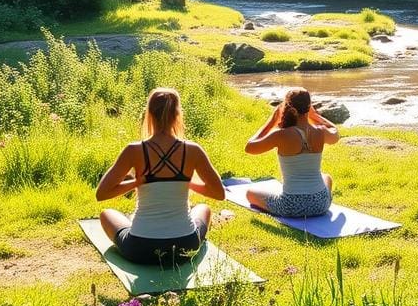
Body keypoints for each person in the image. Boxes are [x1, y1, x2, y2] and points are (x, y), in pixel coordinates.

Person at [96, 87, 225, 265]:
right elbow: (219, 193)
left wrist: (137, 182)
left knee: (106, 214)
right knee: (204, 208)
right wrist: (188, 182)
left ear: (149, 114)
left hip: (140, 249)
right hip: (184, 248)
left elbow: (101, 194)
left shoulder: (134, 150)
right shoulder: (193, 150)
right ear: (177, 114)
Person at [244, 89, 338, 217]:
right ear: (309, 107)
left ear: (289, 108)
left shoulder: (281, 134)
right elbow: (335, 132)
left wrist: (272, 121)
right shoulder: (321, 131)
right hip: (320, 205)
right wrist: (314, 115)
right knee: (326, 177)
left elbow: (249, 147)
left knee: (250, 193)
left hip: (290, 206)